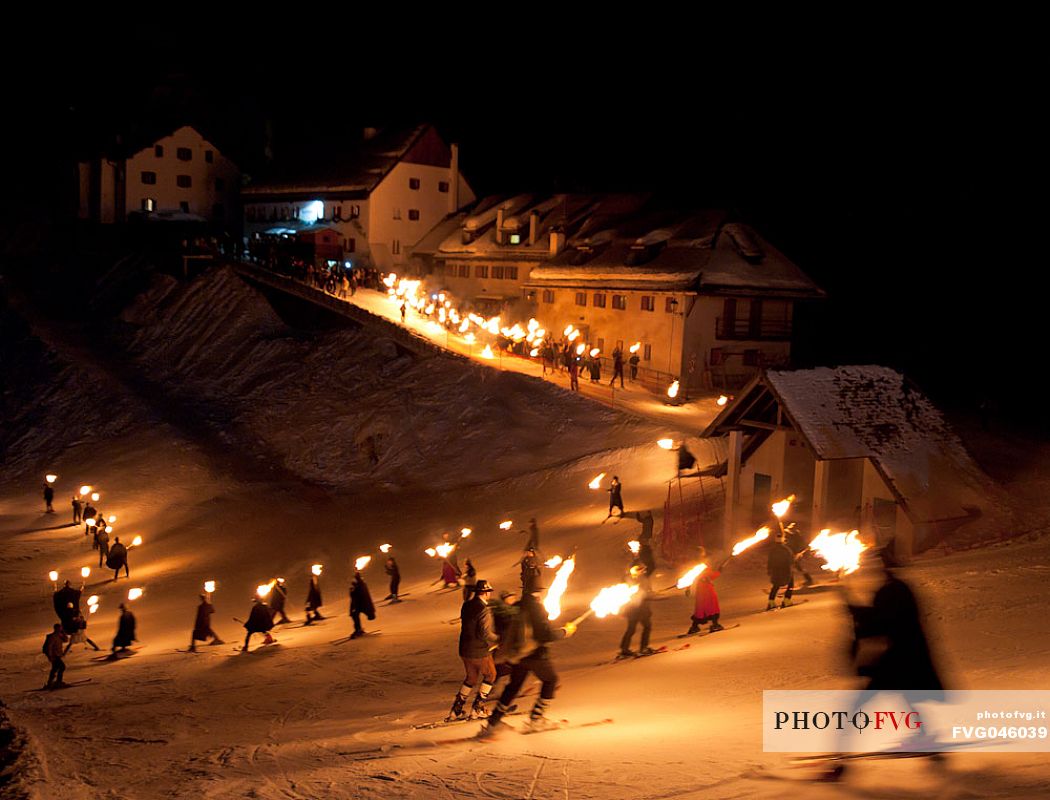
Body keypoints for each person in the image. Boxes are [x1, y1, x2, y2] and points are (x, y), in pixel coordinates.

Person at [478, 579, 577, 737]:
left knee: (513, 686)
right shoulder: (536, 607)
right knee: (550, 680)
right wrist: (565, 631)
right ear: (537, 592)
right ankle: (536, 719)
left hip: (518, 655)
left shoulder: (518, 605)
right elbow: (544, 635)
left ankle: (493, 723)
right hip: (534, 653)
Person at [448, 579, 499, 721]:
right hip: (478, 649)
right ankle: (478, 708)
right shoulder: (484, 609)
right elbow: (485, 633)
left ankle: (456, 710)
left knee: (471, 678)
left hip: (464, 648)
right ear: (486, 593)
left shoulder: (467, 605)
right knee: (490, 675)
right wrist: (499, 639)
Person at [688, 549, 727, 634]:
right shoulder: (701, 565)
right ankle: (714, 624)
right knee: (712, 607)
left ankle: (694, 626)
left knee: (701, 608)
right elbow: (709, 575)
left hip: (701, 589)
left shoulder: (696, 564)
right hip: (706, 589)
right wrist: (719, 571)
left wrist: (688, 587)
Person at [619, 563, 654, 657]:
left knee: (632, 628)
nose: (643, 571)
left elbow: (648, 591)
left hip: (638, 608)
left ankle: (625, 648)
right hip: (637, 608)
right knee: (646, 626)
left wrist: (652, 594)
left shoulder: (642, 578)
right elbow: (638, 594)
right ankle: (643, 648)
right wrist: (648, 596)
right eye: (641, 569)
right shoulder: (632, 580)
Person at [766, 532, 795, 610]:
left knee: (775, 586)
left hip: (775, 571)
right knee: (790, 585)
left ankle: (771, 602)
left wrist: (769, 570)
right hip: (785, 570)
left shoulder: (772, 550)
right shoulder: (786, 550)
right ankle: (787, 600)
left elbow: (770, 561)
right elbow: (790, 561)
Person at [784, 522, 815, 587]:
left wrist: (799, 552)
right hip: (789, 552)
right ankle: (809, 579)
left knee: (795, 567)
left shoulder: (796, 534)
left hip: (794, 553)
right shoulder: (787, 533)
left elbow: (799, 543)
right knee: (793, 567)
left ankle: (809, 580)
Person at [348, 569, 376, 639]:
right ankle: (358, 629)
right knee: (354, 615)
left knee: (354, 615)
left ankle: (358, 630)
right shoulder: (360, 583)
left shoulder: (359, 584)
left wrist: (352, 591)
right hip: (359, 604)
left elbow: (356, 595)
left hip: (359, 604)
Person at [42, 624, 69, 689]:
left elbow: (66, 640)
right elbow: (49, 647)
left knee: (55, 668)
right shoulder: (52, 637)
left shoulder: (59, 635)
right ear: (56, 629)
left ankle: (50, 682)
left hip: (58, 654)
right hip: (54, 655)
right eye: (59, 628)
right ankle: (58, 682)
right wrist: (50, 656)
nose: (60, 629)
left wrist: (64, 633)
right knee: (62, 667)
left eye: (61, 628)